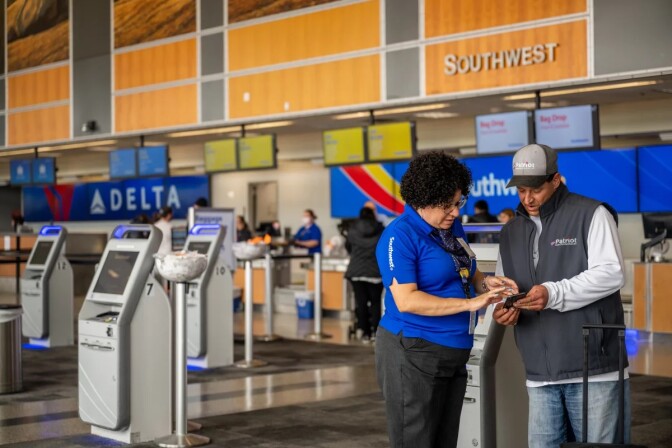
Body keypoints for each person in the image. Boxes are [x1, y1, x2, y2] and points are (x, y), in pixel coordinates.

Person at [374, 151, 516, 448]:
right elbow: (408, 301)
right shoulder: (398, 237)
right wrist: (471, 304)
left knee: (445, 440)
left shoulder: (450, 228)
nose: (454, 212)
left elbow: (468, 271)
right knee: (415, 440)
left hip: (454, 353)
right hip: (414, 351)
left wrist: (485, 282)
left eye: (458, 202)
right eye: (447, 205)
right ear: (423, 199)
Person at [492, 143, 629, 447]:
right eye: (521, 190)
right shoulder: (511, 231)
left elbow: (612, 273)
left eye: (536, 189)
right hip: (539, 371)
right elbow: (507, 287)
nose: (527, 198)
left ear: (556, 180)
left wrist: (553, 293)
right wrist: (506, 310)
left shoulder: (592, 214)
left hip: (592, 368)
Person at [345, 207, 384, 342]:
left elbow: (348, 248)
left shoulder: (352, 230)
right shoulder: (381, 230)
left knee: (361, 303)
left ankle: (364, 332)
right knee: (375, 303)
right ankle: (376, 332)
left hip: (357, 272)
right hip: (375, 272)